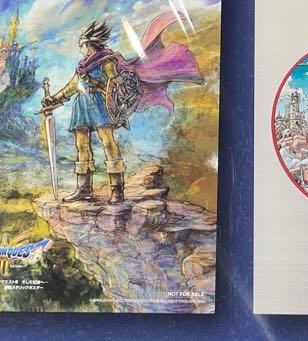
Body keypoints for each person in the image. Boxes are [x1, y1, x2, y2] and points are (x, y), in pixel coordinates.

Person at [42, 15, 203, 202]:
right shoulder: (81, 67)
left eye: (82, 45)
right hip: (81, 106)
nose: (81, 50)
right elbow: (71, 87)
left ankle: (117, 190)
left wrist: (97, 84)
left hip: (100, 105)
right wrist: (54, 98)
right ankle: (83, 189)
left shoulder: (107, 62)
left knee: (108, 143)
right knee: (81, 145)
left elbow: (116, 87)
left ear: (89, 44)